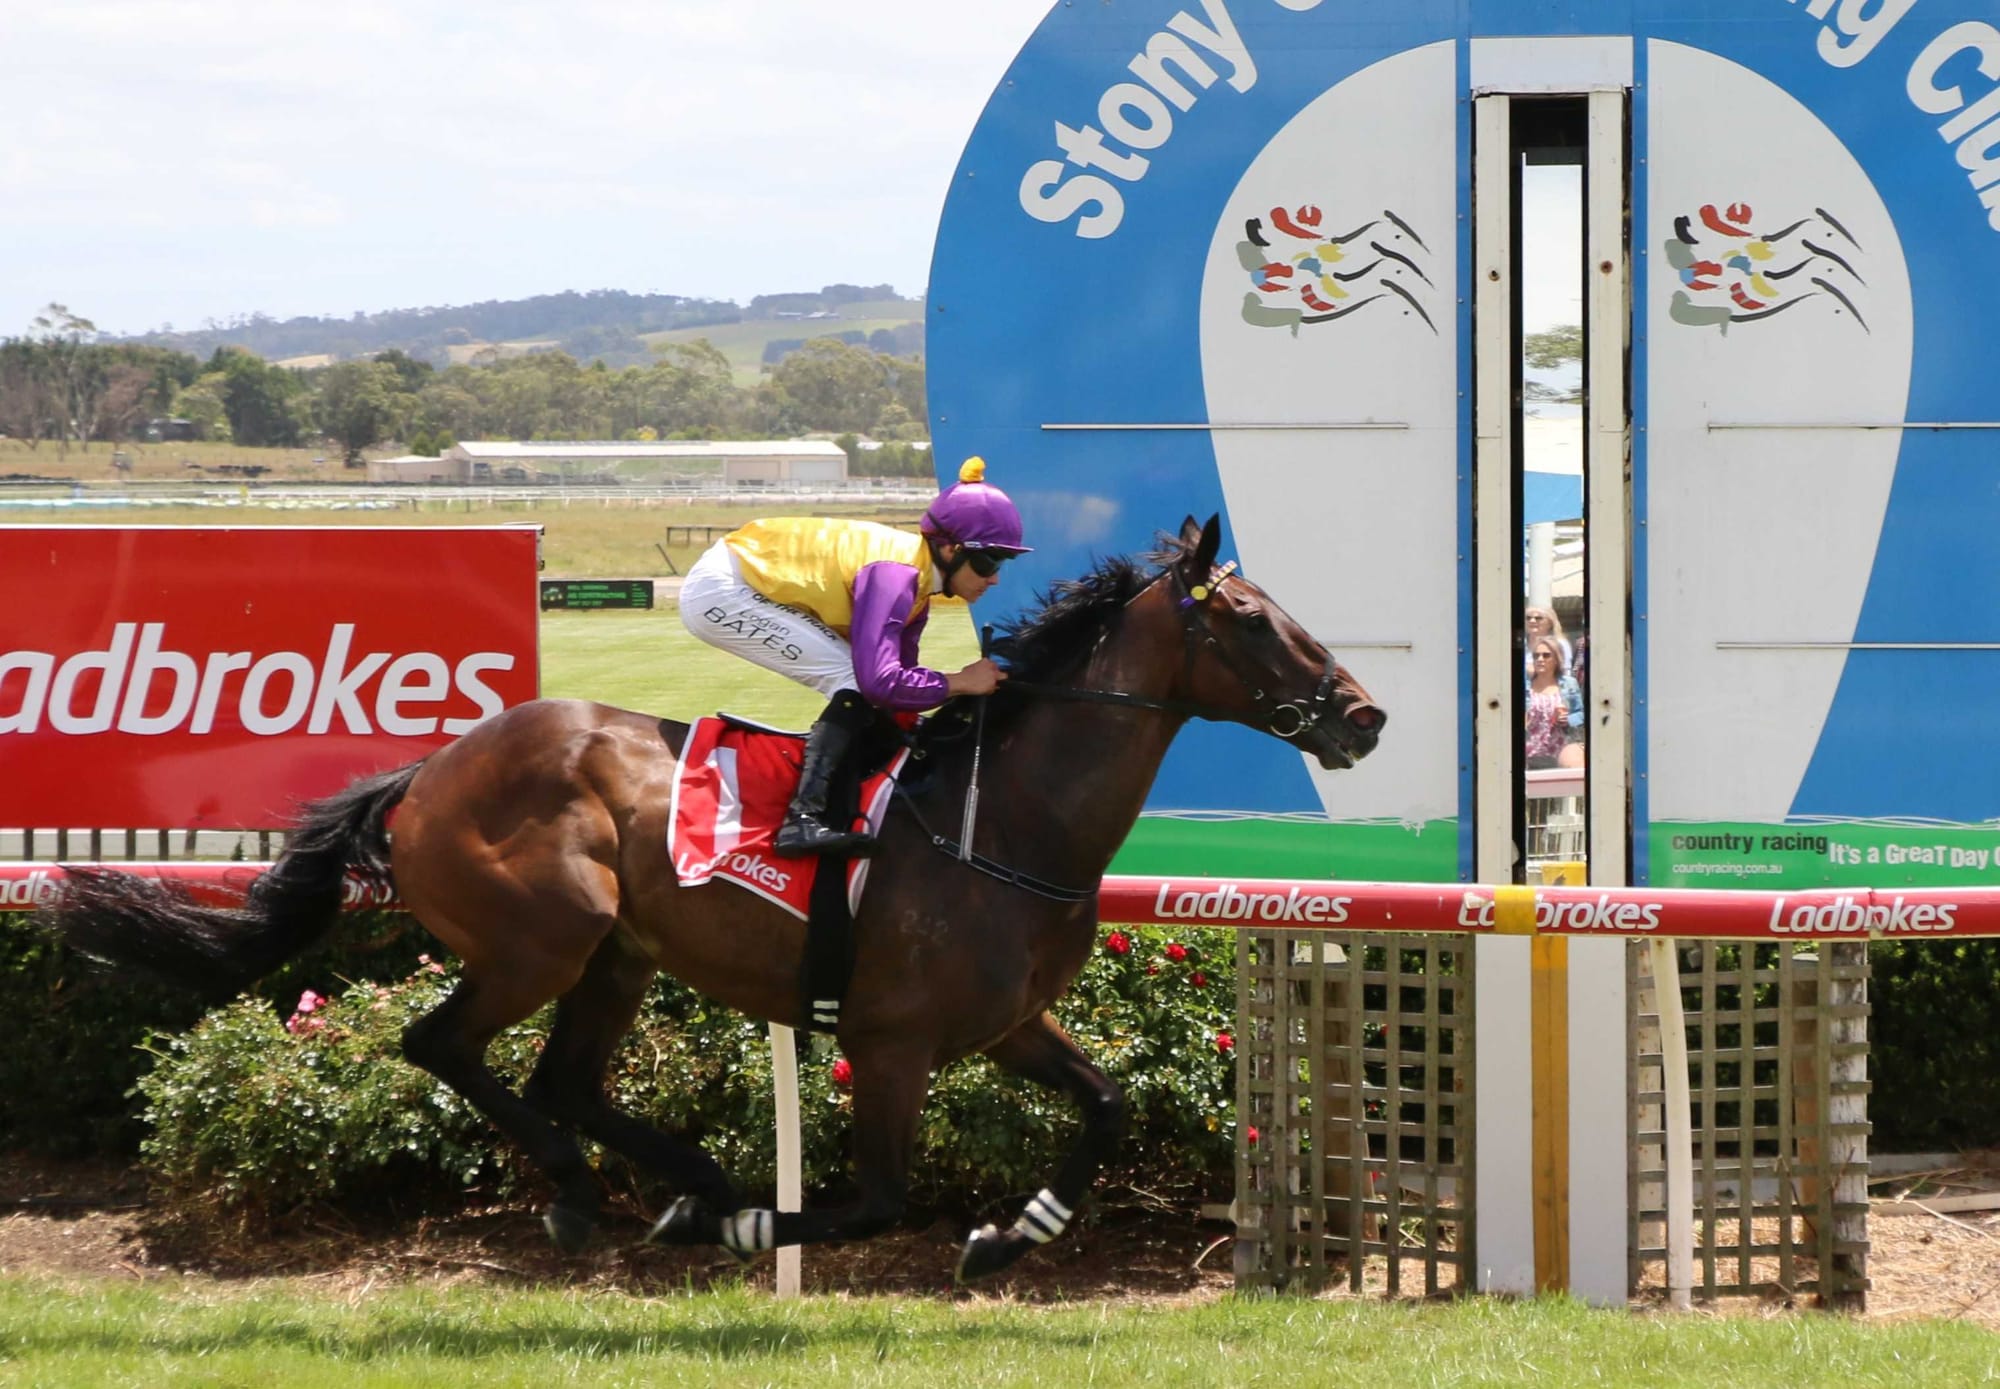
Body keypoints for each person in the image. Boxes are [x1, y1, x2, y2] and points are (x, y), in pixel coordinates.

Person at [678, 457, 1026, 857]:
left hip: (739, 579)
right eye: (990, 560)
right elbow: (879, 683)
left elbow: (899, 689)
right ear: (949, 549)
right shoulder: (895, 576)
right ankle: (801, 821)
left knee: (862, 685)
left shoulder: (916, 591)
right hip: (722, 591)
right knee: (854, 679)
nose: (995, 577)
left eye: (1003, 562)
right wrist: (961, 681)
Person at [1525, 636, 1573, 769]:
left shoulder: (1569, 684)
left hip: (1560, 753)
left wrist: (1567, 718)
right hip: (1529, 755)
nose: (1540, 659)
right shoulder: (1524, 686)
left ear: (1556, 659)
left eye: (1546, 655)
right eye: (1536, 656)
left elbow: (1581, 714)